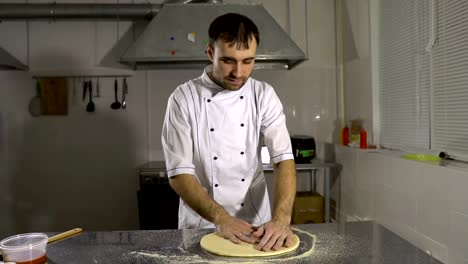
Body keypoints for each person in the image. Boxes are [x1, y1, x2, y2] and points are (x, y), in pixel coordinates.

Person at [161, 12, 297, 252]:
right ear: (210, 53)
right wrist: (222, 219)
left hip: (258, 226)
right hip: (202, 224)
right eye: (228, 60)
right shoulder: (183, 98)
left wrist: (282, 219)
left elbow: (283, 158)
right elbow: (179, 174)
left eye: (248, 61)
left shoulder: (263, 95)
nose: (239, 72)